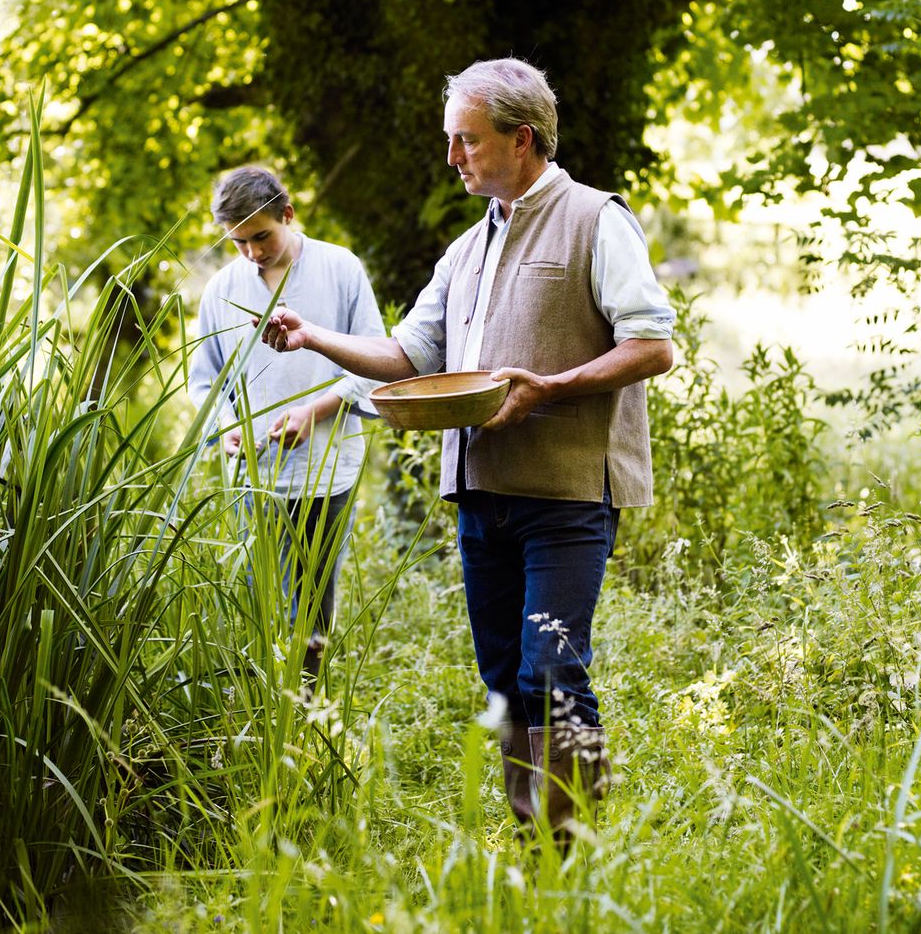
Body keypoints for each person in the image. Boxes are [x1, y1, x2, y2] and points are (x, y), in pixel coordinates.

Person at [259, 59, 675, 838]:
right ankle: (535, 843)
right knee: (503, 677)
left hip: (569, 492)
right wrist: (314, 335)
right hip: (480, 491)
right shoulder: (463, 249)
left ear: (522, 139)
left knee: (551, 668)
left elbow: (653, 345)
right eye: (450, 140)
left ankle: (569, 845)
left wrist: (547, 389)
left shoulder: (596, 218)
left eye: (466, 140)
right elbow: (411, 353)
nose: (453, 157)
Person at [188, 166, 385, 680]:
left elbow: (376, 361)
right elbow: (203, 383)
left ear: (288, 216)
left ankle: (304, 719)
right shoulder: (220, 290)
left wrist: (313, 410)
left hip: (327, 469)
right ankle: (263, 720)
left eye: (261, 236)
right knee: (261, 606)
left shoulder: (341, 270)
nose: (252, 252)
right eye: (238, 242)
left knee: (314, 607)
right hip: (253, 479)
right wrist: (229, 423)